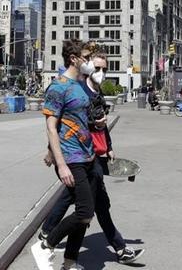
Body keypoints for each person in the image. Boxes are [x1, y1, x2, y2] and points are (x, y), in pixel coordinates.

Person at [40, 52, 145, 265]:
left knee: (93, 205)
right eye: (97, 68)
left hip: (91, 155)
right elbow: (59, 124)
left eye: (104, 69)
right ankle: (48, 240)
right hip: (78, 156)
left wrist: (109, 146)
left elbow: (98, 124)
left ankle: (63, 251)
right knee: (86, 208)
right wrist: (54, 153)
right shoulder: (76, 88)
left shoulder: (94, 93)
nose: (101, 73)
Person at [31, 40, 98, 270]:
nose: (89, 62)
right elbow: (51, 127)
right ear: (74, 59)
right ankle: (45, 245)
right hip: (71, 158)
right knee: (85, 212)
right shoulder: (58, 87)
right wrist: (61, 164)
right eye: (86, 57)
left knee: (83, 216)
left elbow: (79, 119)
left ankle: (69, 263)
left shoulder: (80, 84)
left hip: (88, 156)